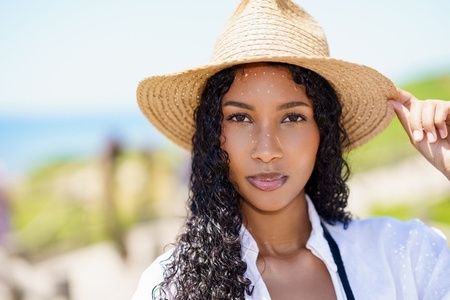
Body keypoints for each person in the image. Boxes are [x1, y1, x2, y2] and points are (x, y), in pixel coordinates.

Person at [132, 0, 450, 299]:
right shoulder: (169, 287)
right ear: (214, 134)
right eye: (240, 117)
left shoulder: (407, 255)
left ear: (323, 132)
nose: (267, 150)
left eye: (293, 117)